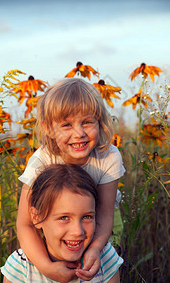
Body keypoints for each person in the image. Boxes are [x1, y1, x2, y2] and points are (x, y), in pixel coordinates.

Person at [17, 78, 125, 282]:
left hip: (98, 223)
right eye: (66, 125)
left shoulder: (109, 156)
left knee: (102, 265)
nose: (79, 134)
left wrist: (94, 249)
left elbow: (104, 214)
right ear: (48, 128)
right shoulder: (42, 160)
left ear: (99, 122)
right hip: (57, 226)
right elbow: (25, 223)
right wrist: (46, 267)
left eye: (87, 122)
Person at [2, 164, 123, 282]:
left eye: (87, 216)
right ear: (37, 217)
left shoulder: (104, 258)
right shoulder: (21, 267)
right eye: (64, 218)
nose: (77, 231)